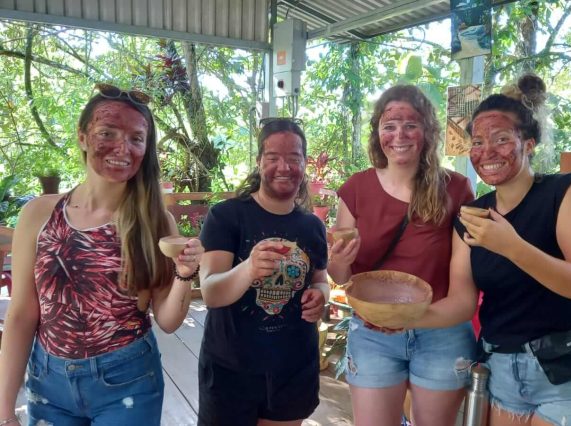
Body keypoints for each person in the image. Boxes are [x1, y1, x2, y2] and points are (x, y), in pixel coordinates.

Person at [0, 83, 203, 426]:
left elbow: (168, 321)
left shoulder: (155, 221)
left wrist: (185, 272)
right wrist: (5, 412)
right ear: (82, 137)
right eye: (108, 132)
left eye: (136, 139)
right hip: (48, 384)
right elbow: (21, 314)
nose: (122, 148)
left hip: (128, 381)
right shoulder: (38, 214)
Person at [454, 74, 571, 425]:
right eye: (478, 141)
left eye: (501, 139)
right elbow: (461, 301)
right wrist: (402, 318)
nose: (487, 152)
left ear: (528, 144)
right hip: (502, 374)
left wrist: (512, 247)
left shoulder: (566, 192)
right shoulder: (472, 214)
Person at [328, 85, 477, 426]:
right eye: (389, 125)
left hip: (441, 329)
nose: (399, 135)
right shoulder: (355, 189)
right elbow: (342, 277)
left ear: (427, 130)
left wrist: (408, 320)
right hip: (372, 331)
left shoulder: (456, 189)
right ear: (377, 132)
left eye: (410, 124)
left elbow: (463, 288)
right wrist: (338, 260)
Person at [197, 117, 329, 426]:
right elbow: (211, 292)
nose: (284, 166)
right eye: (273, 157)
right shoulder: (226, 216)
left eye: (294, 157)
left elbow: (320, 278)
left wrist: (320, 295)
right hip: (231, 369)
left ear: (304, 163)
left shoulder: (312, 226)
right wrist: (249, 268)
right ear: (259, 163)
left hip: (293, 367)